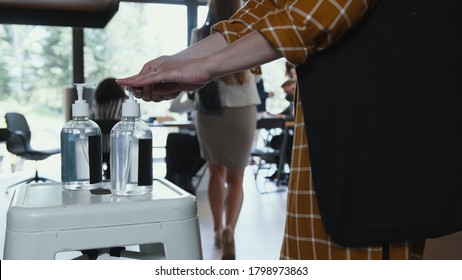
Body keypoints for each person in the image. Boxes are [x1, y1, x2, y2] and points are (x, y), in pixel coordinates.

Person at [118, 0, 462, 260]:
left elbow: (313, 14)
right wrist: (182, 61)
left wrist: (203, 66)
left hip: (374, 141)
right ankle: (226, 230)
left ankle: (227, 229)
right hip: (325, 131)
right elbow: (271, 8)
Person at [165, 91, 205, 195]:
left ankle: (170, 177)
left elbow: (174, 107)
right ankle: (181, 177)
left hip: (203, 144)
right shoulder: (195, 99)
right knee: (177, 142)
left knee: (172, 139)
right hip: (202, 142)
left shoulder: (199, 97)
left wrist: (182, 88)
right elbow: (174, 108)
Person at [90, 77, 127, 179]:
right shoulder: (125, 102)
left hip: (99, 149)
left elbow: (90, 122)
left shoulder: (97, 104)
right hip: (118, 149)